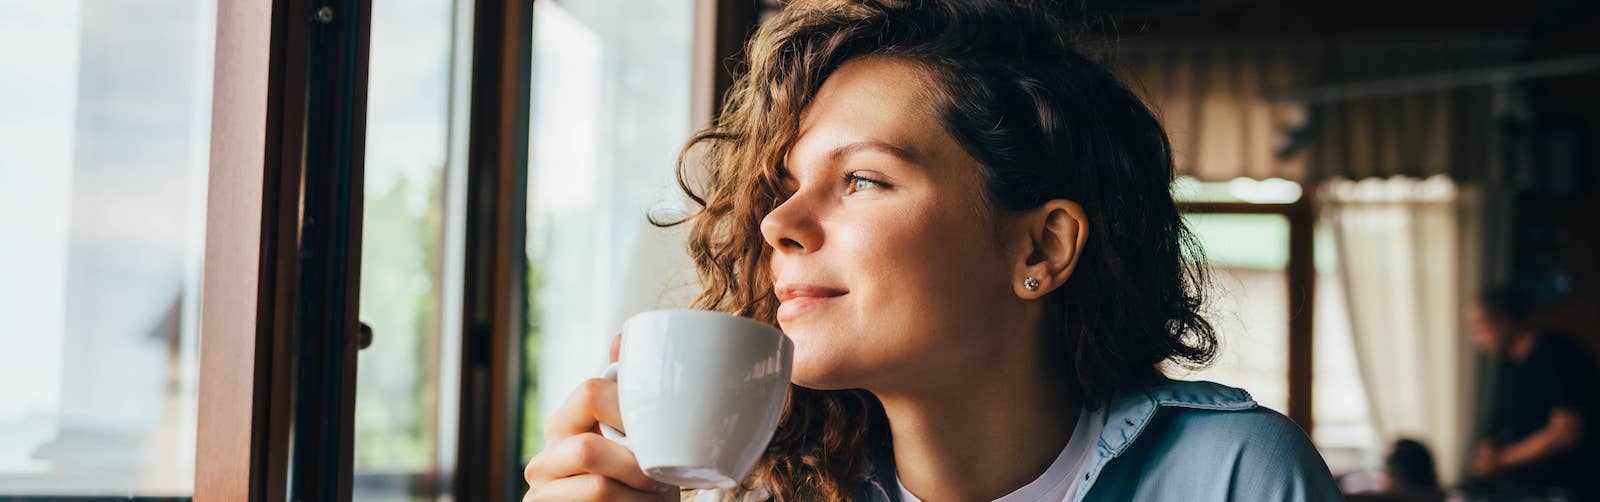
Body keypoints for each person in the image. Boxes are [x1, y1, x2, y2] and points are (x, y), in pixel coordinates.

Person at [521, 1, 1340, 500]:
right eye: (786, 186)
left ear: (1042, 246)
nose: (780, 224)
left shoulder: (1238, 476)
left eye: (864, 180)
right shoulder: (768, 490)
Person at [1468, 285, 1598, 500]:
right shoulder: (1510, 365)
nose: (1476, 338)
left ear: (1504, 321)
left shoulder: (1557, 356)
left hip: (1568, 488)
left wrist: (1501, 460)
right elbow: (1523, 422)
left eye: (1479, 326)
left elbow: (1565, 432)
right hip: (1530, 488)